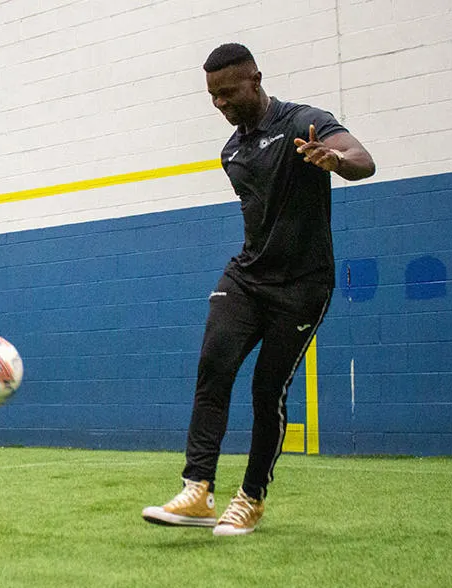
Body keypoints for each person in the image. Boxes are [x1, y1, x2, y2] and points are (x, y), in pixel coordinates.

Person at [142, 43, 375, 536]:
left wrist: (334, 159)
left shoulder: (301, 122)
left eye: (227, 93)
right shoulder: (231, 152)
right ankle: (197, 488)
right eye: (212, 97)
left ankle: (249, 498)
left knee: (266, 390)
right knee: (213, 367)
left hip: (304, 286)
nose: (220, 104)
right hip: (247, 277)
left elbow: (363, 159)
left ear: (255, 79)